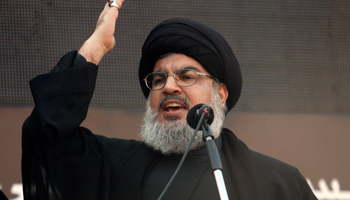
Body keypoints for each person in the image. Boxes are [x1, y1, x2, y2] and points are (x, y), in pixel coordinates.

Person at [22, 1, 317, 199]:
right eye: (159, 80)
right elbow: (48, 135)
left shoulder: (275, 182)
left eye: (187, 76)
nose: (169, 87)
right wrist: (94, 49)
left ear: (221, 94)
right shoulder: (114, 166)